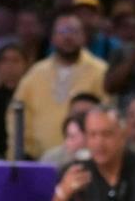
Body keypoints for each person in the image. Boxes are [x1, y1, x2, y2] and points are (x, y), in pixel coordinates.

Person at [9, 13, 108, 159]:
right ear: (52, 38)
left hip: (89, 157)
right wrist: (24, 152)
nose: (68, 37)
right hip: (40, 159)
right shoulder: (36, 73)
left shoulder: (100, 71)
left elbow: (107, 113)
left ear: (84, 37)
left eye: (74, 31)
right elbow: (16, 113)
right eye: (62, 32)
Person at [52, 107, 135, 201]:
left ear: (123, 135)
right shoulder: (74, 173)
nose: (99, 143)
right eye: (92, 135)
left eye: (106, 134)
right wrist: (63, 193)